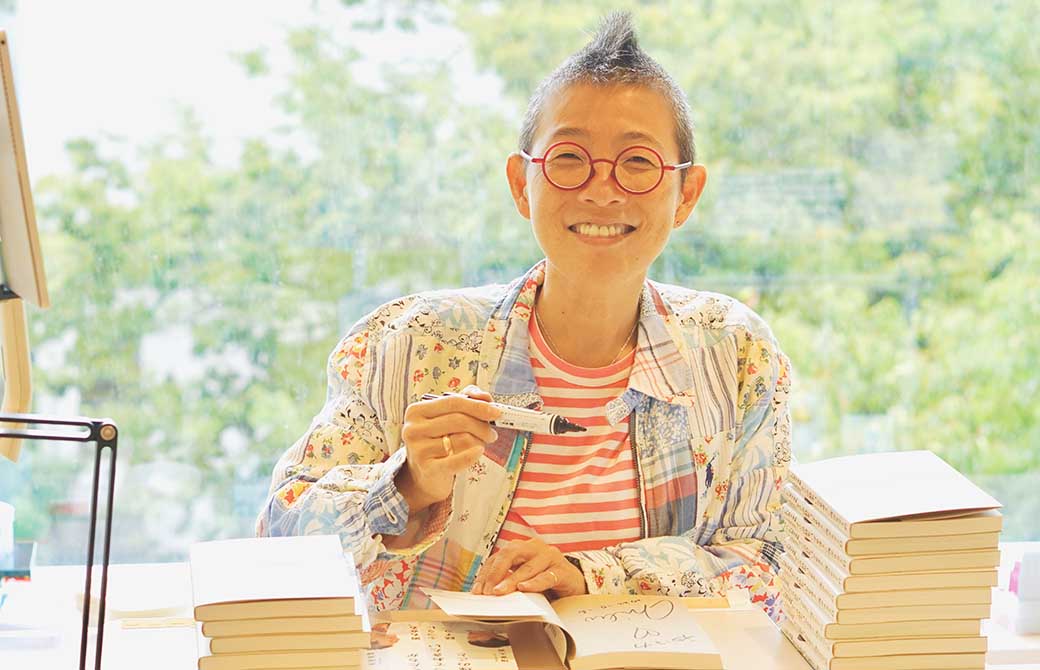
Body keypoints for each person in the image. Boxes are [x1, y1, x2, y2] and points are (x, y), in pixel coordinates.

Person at [257, 10, 792, 623]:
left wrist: (591, 575)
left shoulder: (735, 353)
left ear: (686, 195)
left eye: (638, 163)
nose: (602, 189)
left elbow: (769, 564)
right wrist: (407, 485)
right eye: (568, 158)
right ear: (521, 183)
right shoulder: (410, 341)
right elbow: (278, 539)